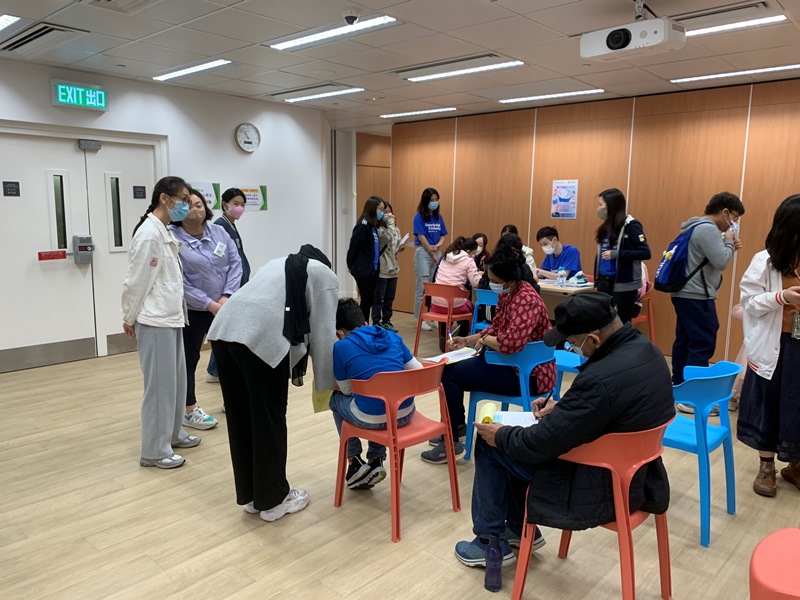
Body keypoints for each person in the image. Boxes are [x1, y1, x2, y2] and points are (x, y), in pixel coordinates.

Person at [453, 292, 674, 568]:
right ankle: (519, 531)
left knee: (494, 444)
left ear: (593, 339)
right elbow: (613, 409)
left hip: (598, 485)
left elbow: (539, 445)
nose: (572, 349)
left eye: (571, 343)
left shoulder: (600, 378)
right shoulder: (647, 351)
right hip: (637, 475)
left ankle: (489, 542)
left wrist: (500, 434)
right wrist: (563, 408)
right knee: (513, 440)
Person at [207, 245, 338, 521]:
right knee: (269, 419)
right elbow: (324, 338)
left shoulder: (278, 261)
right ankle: (275, 500)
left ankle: (254, 496)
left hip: (222, 331)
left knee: (242, 419)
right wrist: (334, 386)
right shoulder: (325, 275)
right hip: (260, 340)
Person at [421, 244, 556, 464]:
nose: (490, 283)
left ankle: (452, 441)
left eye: (494, 280)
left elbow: (510, 344)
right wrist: (469, 339)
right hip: (511, 365)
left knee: (448, 375)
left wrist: (483, 340)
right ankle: (457, 426)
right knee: (449, 369)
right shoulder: (511, 293)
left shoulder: (525, 300)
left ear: (510, 280)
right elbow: (496, 327)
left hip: (528, 375)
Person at [121, 176, 199, 469]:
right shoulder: (149, 234)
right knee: (158, 388)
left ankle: (173, 434)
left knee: (176, 383)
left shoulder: (163, 231)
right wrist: (128, 317)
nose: (186, 206)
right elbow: (135, 282)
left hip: (170, 318)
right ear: (164, 199)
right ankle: (154, 451)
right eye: (182, 200)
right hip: (154, 320)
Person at [737, 194, 800, 498]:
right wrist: (782, 297)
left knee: (797, 406)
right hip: (776, 346)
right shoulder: (765, 261)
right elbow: (747, 303)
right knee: (769, 404)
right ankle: (766, 467)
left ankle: (795, 465)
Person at [332, 298, 423, 489]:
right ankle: (375, 459)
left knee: (336, 400)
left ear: (340, 332)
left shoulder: (341, 346)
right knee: (381, 399)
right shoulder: (393, 337)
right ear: (365, 322)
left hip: (372, 418)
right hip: (405, 413)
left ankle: (354, 460)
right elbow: (418, 370)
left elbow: (347, 390)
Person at [170, 190, 242, 430]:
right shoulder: (172, 238)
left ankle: (233, 402)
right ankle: (189, 409)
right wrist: (210, 304)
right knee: (189, 359)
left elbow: (235, 263)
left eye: (199, 204)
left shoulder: (219, 232)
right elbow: (179, 280)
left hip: (225, 305)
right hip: (195, 309)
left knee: (231, 356)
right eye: (188, 204)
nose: (195, 208)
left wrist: (226, 296)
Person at [671, 192, 744, 404]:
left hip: (685, 293)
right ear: (725, 212)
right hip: (697, 295)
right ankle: (693, 398)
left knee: (685, 340)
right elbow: (721, 261)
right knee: (702, 341)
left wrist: (726, 244)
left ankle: (679, 387)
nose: (734, 223)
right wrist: (729, 243)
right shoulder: (708, 229)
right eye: (735, 218)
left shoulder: (694, 226)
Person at [207, 187, 251, 384]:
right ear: (224, 205)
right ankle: (215, 370)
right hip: (228, 289)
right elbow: (220, 260)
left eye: (242, 204)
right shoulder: (220, 226)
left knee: (227, 328)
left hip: (237, 285)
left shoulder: (230, 224)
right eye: (235, 204)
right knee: (226, 329)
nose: (239, 208)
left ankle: (215, 369)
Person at [594, 188, 651, 323]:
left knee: (620, 322)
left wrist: (617, 254)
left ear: (612, 206)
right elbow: (600, 256)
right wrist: (597, 281)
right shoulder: (606, 227)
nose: (599, 208)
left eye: (601, 204)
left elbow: (645, 252)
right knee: (603, 322)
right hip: (604, 282)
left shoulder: (631, 226)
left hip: (623, 284)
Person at [431, 235, 483, 351]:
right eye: (473, 254)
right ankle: (460, 343)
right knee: (471, 310)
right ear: (469, 251)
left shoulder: (445, 257)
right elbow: (475, 283)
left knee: (447, 305)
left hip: (436, 304)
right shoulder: (469, 261)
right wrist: (480, 275)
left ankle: (445, 337)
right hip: (454, 304)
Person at [414, 187, 448, 331]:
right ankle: (420, 318)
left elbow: (443, 235)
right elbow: (421, 237)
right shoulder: (419, 217)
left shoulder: (439, 217)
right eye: (431, 200)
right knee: (422, 287)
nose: (434, 203)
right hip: (424, 252)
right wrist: (432, 252)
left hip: (436, 251)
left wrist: (438, 246)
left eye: (436, 200)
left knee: (436, 286)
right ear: (426, 201)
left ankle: (433, 317)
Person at [347, 196, 385, 324]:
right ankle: (361, 325)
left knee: (368, 301)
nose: (382, 212)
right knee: (367, 300)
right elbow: (353, 247)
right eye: (380, 209)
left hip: (372, 270)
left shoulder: (372, 226)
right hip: (363, 270)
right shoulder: (362, 225)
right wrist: (351, 264)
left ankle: (363, 325)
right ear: (372, 208)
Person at [373, 200, 403, 333]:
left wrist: (401, 247)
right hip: (383, 266)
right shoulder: (378, 229)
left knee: (390, 297)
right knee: (379, 297)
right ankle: (376, 321)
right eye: (385, 212)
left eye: (389, 211)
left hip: (394, 266)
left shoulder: (396, 228)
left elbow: (394, 244)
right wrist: (390, 222)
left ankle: (387, 320)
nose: (388, 214)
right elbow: (388, 238)